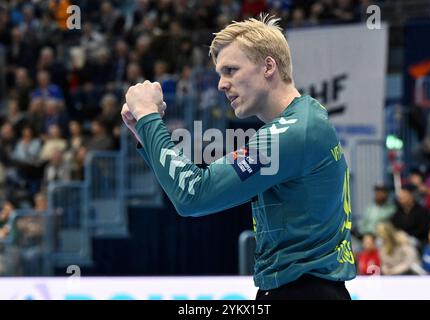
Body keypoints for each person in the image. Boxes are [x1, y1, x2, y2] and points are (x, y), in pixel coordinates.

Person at [122, 14, 356, 300]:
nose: (221, 84)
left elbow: (194, 194)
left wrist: (148, 119)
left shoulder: (294, 132)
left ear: (268, 66)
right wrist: (145, 134)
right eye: (220, 73)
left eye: (231, 70)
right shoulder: (301, 122)